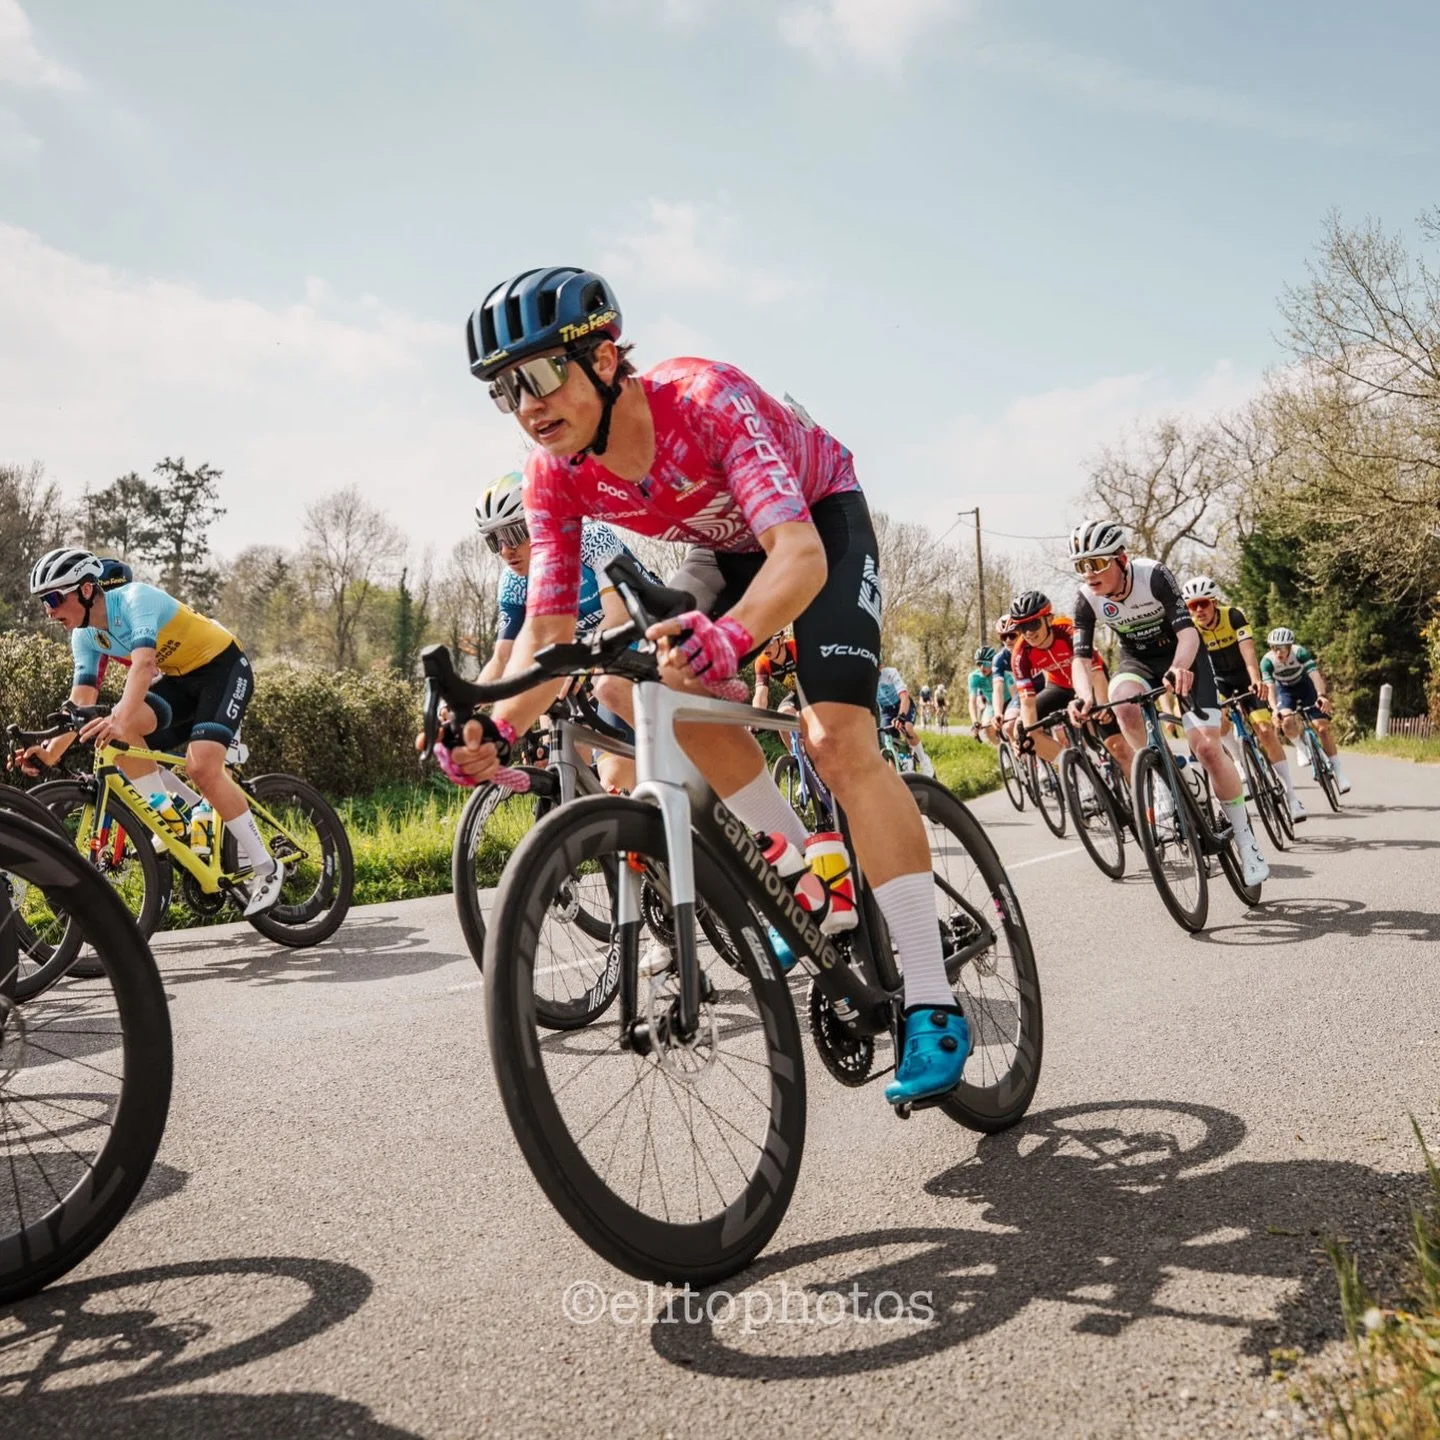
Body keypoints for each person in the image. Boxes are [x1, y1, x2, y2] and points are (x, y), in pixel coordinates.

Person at [453, 265, 969, 1105]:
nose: (526, 403)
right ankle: (807, 874)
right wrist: (492, 729)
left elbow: (797, 558)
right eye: (504, 389)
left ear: (607, 357)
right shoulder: (551, 473)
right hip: (723, 547)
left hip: (816, 518)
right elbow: (544, 634)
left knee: (836, 736)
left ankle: (933, 1000)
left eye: (541, 374)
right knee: (658, 683)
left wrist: (732, 638)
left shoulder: (704, 398)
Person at [20, 547, 283, 914]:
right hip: (180, 682)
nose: (49, 611)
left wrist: (118, 717)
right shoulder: (84, 636)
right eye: (43, 602)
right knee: (119, 738)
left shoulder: (134, 600)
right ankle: (171, 820)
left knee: (201, 767)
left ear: (84, 590)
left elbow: (143, 665)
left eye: (52, 598)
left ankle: (267, 867)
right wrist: (50, 751)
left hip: (221, 670)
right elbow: (80, 702)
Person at [1064, 521, 1270, 886]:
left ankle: (1244, 837)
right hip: (1137, 661)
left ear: (1121, 559)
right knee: (1121, 704)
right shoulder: (1086, 598)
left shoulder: (1153, 575)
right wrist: (1083, 696)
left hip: (1183, 655)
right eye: (1082, 566)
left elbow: (1188, 631)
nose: (1089, 574)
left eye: (1096, 564)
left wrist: (1179, 667)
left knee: (1207, 748)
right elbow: (1080, 660)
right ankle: (1161, 777)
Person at [472, 471, 637, 792]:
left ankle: (687, 762)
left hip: (641, 639)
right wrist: (469, 699)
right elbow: (503, 657)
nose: (506, 550)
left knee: (609, 692)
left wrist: (577, 662)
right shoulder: (514, 582)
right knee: (563, 739)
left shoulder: (592, 541)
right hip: (591, 660)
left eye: (514, 532)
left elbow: (617, 618)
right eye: (494, 539)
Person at [1181, 577, 1304, 822]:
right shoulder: (1192, 629)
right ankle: (1238, 758)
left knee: (1265, 730)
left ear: (1214, 602)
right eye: (1191, 606)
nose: (1198, 611)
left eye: (1202, 604)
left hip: (1244, 675)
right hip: (1219, 681)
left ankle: (1291, 795)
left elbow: (1248, 652)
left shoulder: (1233, 616)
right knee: (1219, 721)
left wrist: (1256, 680)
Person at [1007, 589, 1120, 767]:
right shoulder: (1020, 654)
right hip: (1058, 687)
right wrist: (1025, 729)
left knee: (1118, 747)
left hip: (1089, 681)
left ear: (1049, 619)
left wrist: (1103, 706)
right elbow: (1027, 702)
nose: (1028, 633)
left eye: (1034, 624)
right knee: (1026, 732)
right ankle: (1074, 767)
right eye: (1022, 628)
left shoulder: (1067, 630)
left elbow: (1096, 673)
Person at [1261, 627, 1349, 795]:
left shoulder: (1300, 652)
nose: (1278, 651)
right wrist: (1274, 709)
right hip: (1284, 690)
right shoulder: (1267, 661)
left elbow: (1315, 675)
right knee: (1286, 721)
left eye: (1282, 648)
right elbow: (1270, 687)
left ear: (1290, 646)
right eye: (1274, 647)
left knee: (1322, 728)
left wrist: (1321, 695)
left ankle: (1339, 772)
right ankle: (1300, 747)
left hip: (1305, 687)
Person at [877, 664, 934, 775]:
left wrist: (901, 716)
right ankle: (896, 779)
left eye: (878, 666)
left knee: (907, 728)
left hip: (903, 705)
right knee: (887, 743)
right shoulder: (865, 681)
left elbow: (904, 697)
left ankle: (924, 761)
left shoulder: (890, 673)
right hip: (886, 712)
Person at [752, 630, 801, 715]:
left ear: (782, 639)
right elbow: (760, 695)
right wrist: (754, 719)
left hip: (817, 688)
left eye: (770, 642)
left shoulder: (797, 648)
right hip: (797, 694)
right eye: (762, 643)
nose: (766, 648)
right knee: (784, 714)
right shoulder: (762, 662)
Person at [967, 647, 998, 744]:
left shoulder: (1000, 672)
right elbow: (972, 701)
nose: (982, 667)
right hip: (991, 704)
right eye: (979, 664)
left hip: (1008, 701)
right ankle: (1002, 749)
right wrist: (975, 721)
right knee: (987, 730)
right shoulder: (974, 677)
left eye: (986, 663)